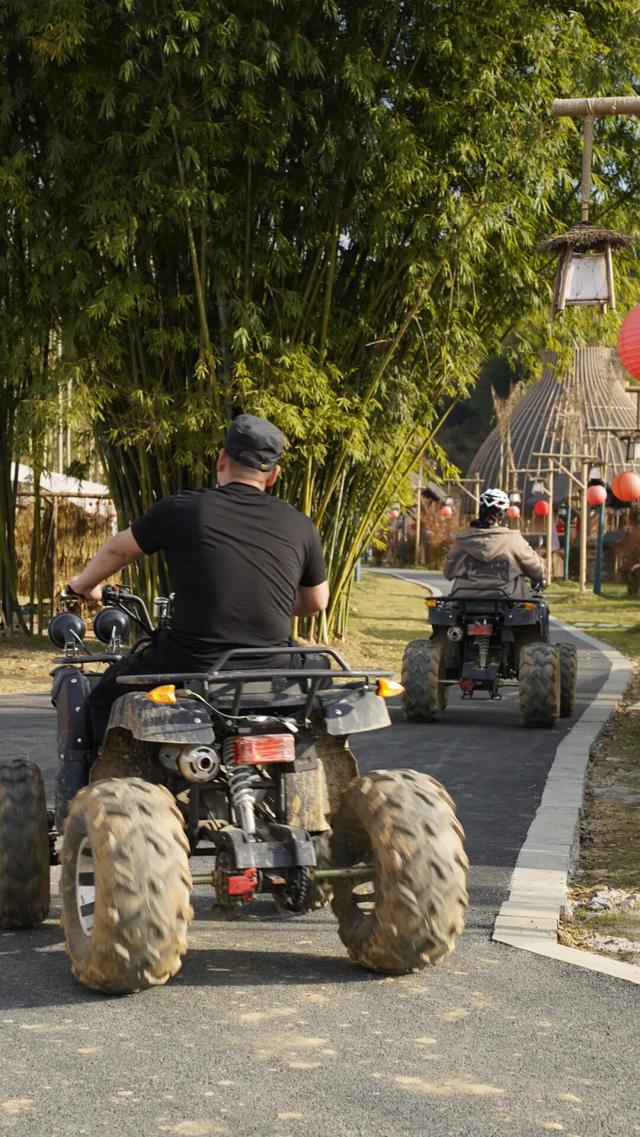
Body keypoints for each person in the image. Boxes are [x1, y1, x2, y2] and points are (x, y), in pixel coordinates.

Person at [68, 414, 329, 751]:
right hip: (273, 666)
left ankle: (105, 778)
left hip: (191, 662)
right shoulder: (300, 524)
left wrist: (83, 585)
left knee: (104, 696)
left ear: (221, 459)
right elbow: (316, 601)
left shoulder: (184, 509)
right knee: (322, 670)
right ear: (273, 475)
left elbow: (120, 549)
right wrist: (269, 602)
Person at [443, 488, 546, 598]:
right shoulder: (514, 540)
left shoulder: (462, 540)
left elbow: (448, 572)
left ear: (480, 512)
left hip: (464, 600)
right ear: (503, 514)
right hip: (508, 601)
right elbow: (538, 570)